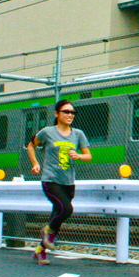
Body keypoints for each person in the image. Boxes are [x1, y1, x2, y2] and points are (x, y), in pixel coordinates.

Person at [25, 99, 92, 264]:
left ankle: (40, 252)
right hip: (51, 180)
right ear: (56, 114)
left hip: (68, 182)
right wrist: (35, 163)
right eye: (66, 112)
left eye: (72, 112)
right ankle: (46, 231)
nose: (70, 115)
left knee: (57, 216)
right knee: (66, 209)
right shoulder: (47, 132)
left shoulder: (78, 134)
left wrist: (79, 156)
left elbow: (88, 156)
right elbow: (31, 145)